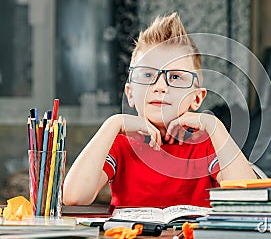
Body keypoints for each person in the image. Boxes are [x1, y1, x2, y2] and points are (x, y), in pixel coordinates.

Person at [63, 12, 257, 208]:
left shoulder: (206, 144)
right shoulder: (120, 144)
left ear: (196, 98)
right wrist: (112, 123)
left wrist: (214, 125)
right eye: (147, 74)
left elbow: (248, 198)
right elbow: (74, 197)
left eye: (174, 77)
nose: (160, 86)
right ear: (130, 94)